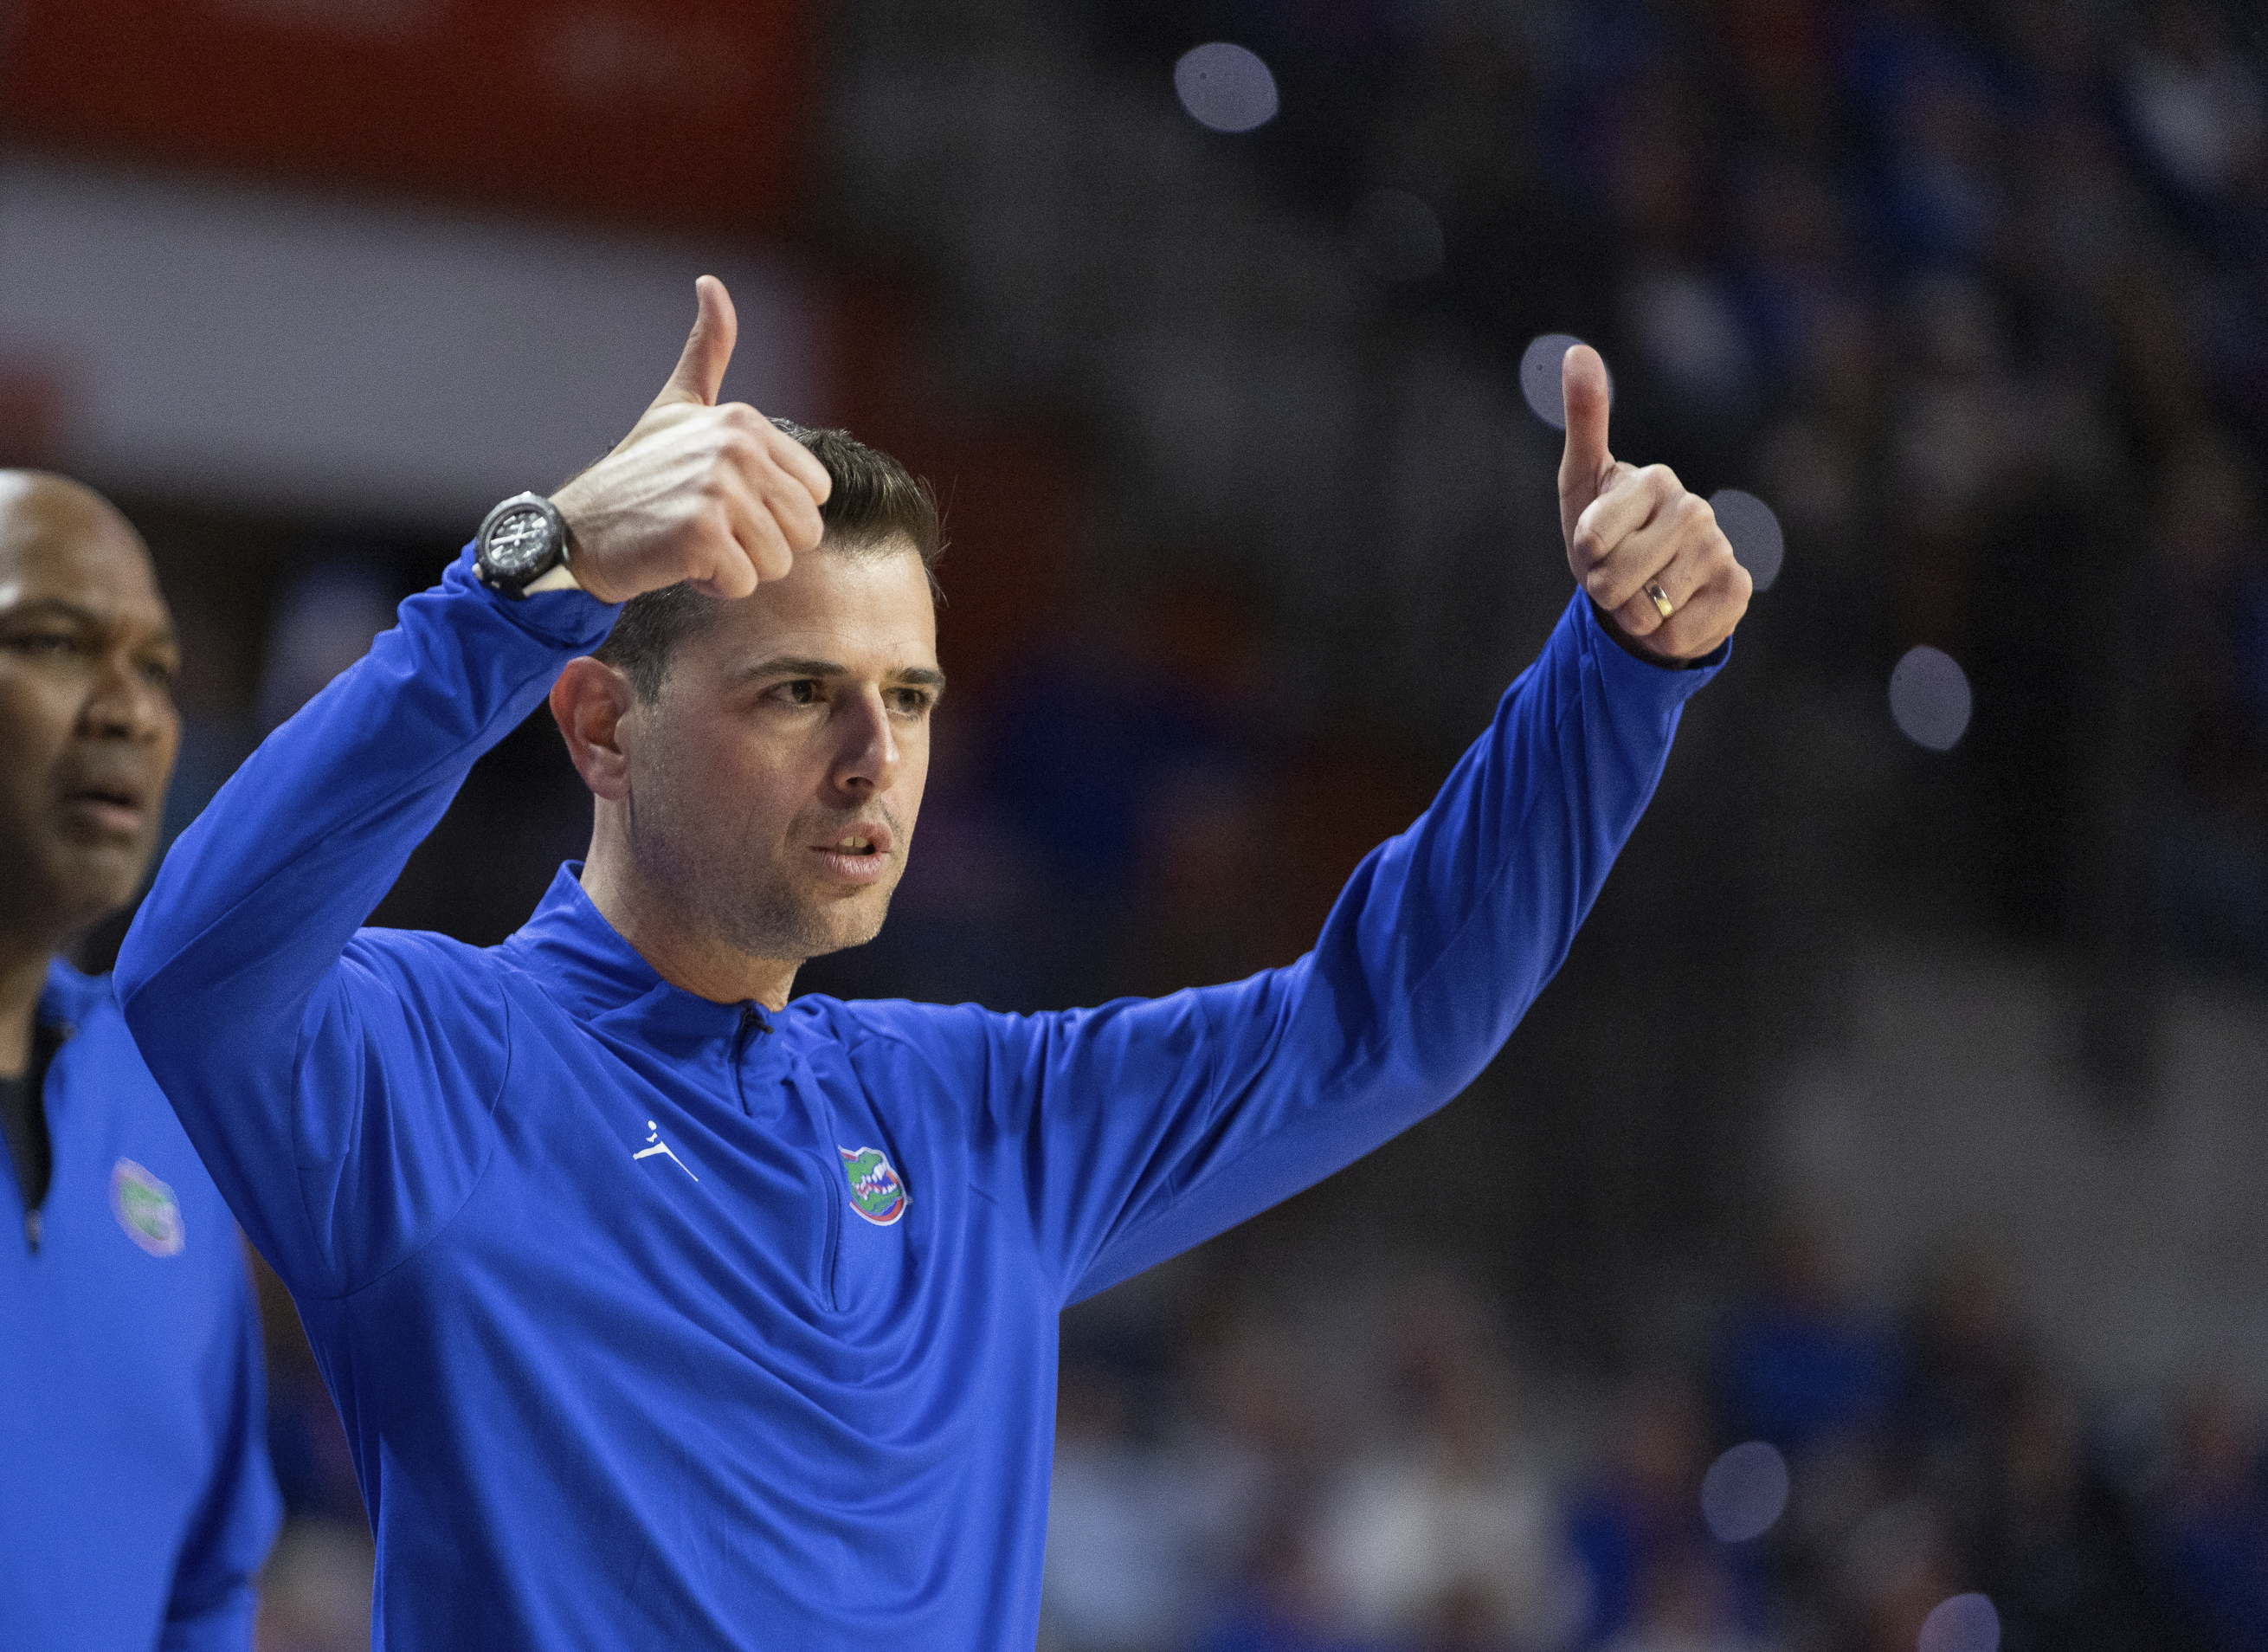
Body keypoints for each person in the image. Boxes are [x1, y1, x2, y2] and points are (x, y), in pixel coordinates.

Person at [116, 276, 1750, 1649]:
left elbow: (1387, 1025)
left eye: (906, 699)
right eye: (793, 693)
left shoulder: (979, 1116)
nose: (872, 762)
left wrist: (1614, 676)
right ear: (603, 723)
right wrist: (526, 577)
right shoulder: (429, 1065)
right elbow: (191, 970)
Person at [0, 472, 280, 1649]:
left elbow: (207, 1585)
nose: (126, 710)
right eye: (56, 643)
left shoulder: (163, 1110)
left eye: (157, 668)